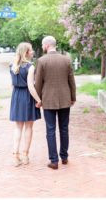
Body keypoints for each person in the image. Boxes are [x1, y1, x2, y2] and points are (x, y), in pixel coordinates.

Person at [35, 36, 76, 170]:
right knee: (64, 129)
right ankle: (64, 157)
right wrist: (73, 97)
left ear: (47, 45)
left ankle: (54, 161)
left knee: (50, 130)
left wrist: (38, 99)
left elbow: (39, 82)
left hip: (48, 100)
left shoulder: (41, 61)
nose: (42, 47)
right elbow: (71, 81)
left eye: (42, 45)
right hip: (65, 99)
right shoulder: (66, 60)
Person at [9, 42, 41, 167]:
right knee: (28, 127)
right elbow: (31, 87)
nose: (32, 52)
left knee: (18, 128)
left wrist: (15, 99)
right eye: (31, 50)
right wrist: (38, 100)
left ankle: (15, 156)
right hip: (27, 97)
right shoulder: (30, 67)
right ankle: (25, 155)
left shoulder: (12, 66)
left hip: (16, 96)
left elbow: (12, 85)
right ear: (26, 52)